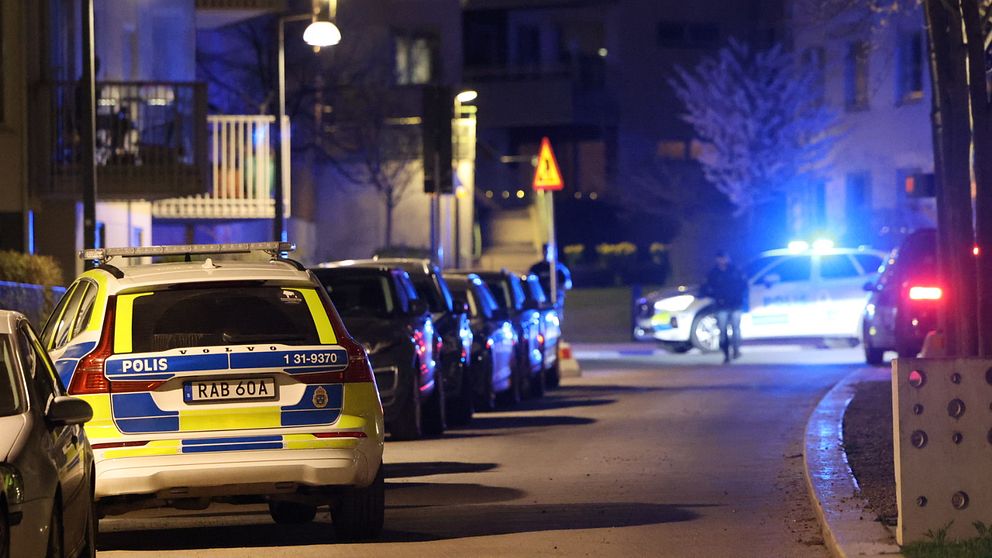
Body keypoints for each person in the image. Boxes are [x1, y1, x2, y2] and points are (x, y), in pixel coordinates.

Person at [699, 250, 748, 363]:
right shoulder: (714, 273)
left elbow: (743, 285)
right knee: (722, 330)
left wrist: (741, 298)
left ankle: (735, 349)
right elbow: (706, 287)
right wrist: (714, 296)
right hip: (721, 305)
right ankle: (726, 353)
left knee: (735, 328)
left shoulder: (735, 271)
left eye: (724, 258)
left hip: (735, 304)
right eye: (720, 258)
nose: (722, 260)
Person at [529, 243, 572, 309]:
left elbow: (568, 284)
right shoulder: (535, 268)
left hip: (556, 299)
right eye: (544, 251)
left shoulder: (559, 268)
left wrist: (557, 287)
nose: (546, 253)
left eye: (548, 251)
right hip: (540, 299)